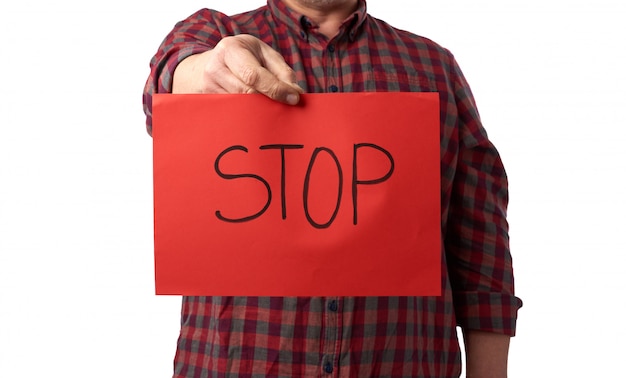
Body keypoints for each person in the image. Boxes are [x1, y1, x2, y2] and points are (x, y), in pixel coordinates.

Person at [142, 0, 522, 377]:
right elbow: (167, 79)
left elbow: (480, 238)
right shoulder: (217, 33)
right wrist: (207, 70)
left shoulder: (433, 66)